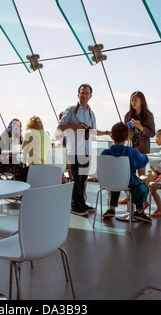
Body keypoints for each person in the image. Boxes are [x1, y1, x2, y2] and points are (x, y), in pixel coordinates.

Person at [57, 84, 110, 216]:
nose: (84, 95)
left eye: (87, 93)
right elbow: (60, 127)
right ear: (78, 94)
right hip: (75, 149)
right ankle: (74, 205)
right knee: (77, 178)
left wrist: (107, 132)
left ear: (91, 96)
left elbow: (93, 131)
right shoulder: (71, 110)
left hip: (86, 149)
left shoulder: (91, 113)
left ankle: (82, 202)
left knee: (84, 178)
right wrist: (76, 126)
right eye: (82, 93)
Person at [101, 122, 152, 223]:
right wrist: (145, 156)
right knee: (141, 183)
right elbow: (142, 162)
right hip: (127, 182)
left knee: (116, 180)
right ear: (127, 138)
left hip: (109, 182)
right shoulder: (131, 151)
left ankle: (111, 209)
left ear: (112, 137)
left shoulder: (105, 153)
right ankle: (139, 211)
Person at [119, 91, 155, 204]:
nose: (133, 102)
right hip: (130, 148)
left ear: (142, 101)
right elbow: (125, 132)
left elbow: (152, 133)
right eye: (132, 100)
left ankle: (143, 200)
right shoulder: (127, 116)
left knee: (141, 175)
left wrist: (140, 127)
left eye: (135, 100)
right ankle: (129, 196)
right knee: (127, 174)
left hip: (142, 149)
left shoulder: (148, 116)